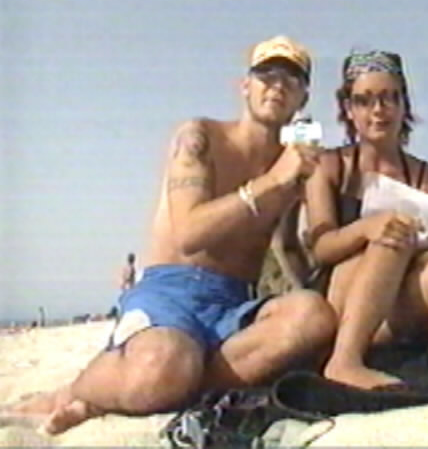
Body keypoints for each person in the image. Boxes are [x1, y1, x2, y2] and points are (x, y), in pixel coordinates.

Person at [4, 36, 337, 434]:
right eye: (266, 74)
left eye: (291, 78)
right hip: (170, 292)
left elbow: (286, 245)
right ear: (245, 85)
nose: (277, 85)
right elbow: (190, 234)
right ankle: (75, 394)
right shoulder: (199, 137)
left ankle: (168, 384)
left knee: (312, 316)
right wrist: (271, 183)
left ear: (303, 97)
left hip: (233, 303)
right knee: (162, 365)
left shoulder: (290, 166)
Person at [303, 48, 428, 389]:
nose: (378, 110)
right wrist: (366, 228)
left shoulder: (426, 176)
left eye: (388, 98)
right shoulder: (330, 167)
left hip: (398, 301)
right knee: (394, 232)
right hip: (342, 300)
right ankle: (344, 360)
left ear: (403, 104)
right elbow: (321, 248)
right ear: (349, 109)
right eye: (364, 101)